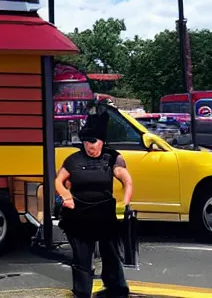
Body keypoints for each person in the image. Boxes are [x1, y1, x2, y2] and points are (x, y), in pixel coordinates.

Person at [55, 107, 133, 298]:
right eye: (86, 142)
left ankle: (116, 290)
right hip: (79, 214)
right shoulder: (73, 159)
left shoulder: (112, 158)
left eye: (94, 142)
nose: (90, 146)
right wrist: (66, 196)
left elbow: (127, 182)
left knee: (111, 255)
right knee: (82, 258)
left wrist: (125, 203)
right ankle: (82, 292)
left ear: (102, 142)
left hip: (105, 213)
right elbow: (58, 181)